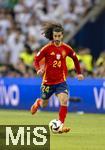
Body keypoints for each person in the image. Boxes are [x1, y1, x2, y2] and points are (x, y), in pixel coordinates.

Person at [31, 22, 84, 133]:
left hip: (61, 81)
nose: (57, 38)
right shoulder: (47, 48)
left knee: (64, 100)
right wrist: (38, 69)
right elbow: (36, 59)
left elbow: (75, 59)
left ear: (62, 35)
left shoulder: (67, 48)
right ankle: (38, 102)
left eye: (59, 36)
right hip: (47, 82)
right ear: (53, 36)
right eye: (55, 36)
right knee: (44, 105)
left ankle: (60, 125)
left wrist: (79, 72)